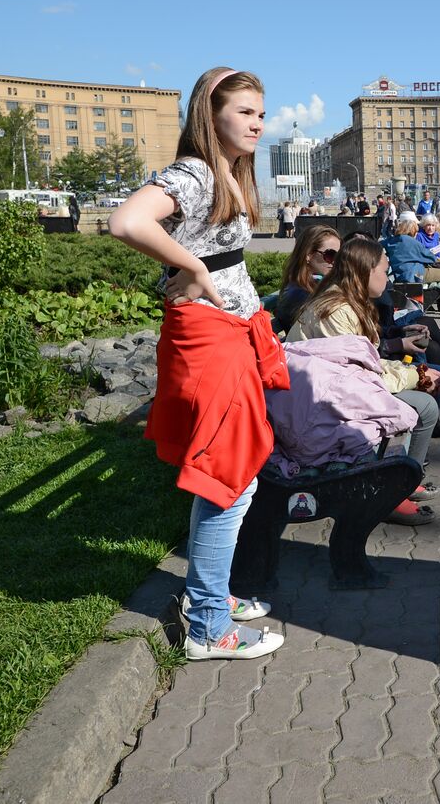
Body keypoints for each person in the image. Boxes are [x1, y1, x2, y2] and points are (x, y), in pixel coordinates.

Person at [109, 66, 287, 661]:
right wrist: (196, 268)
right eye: (245, 112)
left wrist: (195, 265)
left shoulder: (224, 174)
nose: (258, 124)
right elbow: (127, 222)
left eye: (262, 113)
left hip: (227, 336)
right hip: (212, 341)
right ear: (210, 116)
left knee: (231, 475)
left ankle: (212, 595)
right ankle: (209, 626)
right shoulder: (195, 173)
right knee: (227, 482)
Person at [286, 236, 440, 524]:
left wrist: (415, 373)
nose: (389, 278)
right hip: (321, 405)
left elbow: (364, 362)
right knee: (424, 406)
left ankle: (401, 478)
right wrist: (416, 375)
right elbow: (355, 379)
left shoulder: (349, 300)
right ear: (364, 272)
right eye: (384, 271)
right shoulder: (335, 310)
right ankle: (392, 492)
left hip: (336, 391)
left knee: (433, 388)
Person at [384, 214, 440, 318]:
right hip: (416, 273)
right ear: (413, 230)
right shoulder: (413, 243)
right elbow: (431, 259)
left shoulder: (390, 241)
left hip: (399, 274)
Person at [272, 224, 341, 334]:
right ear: (308, 255)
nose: (335, 261)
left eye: (340, 255)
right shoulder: (301, 294)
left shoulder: (315, 285)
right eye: (330, 254)